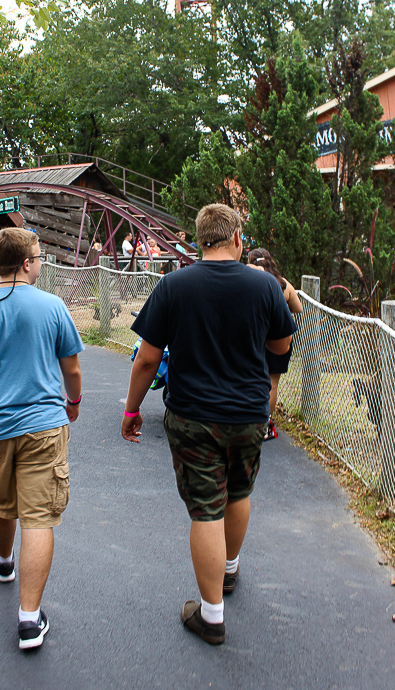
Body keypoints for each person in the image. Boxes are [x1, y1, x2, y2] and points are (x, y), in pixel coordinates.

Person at [121, 204, 296, 645]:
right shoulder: (264, 285)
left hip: (193, 416)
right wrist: (263, 374)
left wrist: (131, 409)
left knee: (206, 509)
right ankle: (230, 570)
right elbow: (282, 340)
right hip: (249, 415)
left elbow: (146, 359)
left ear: (201, 240)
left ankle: (212, 615)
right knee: (239, 491)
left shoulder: (174, 286)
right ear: (237, 237)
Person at [0, 227, 84, 650]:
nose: (41, 261)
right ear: (26, 263)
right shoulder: (53, 307)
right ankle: (28, 620)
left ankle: (3, 561)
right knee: (39, 517)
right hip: (44, 427)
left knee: (1, 503)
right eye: (39, 255)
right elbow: (72, 370)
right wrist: (73, 401)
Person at [248, 248, 303, 439]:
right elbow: (299, 307)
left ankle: (248, 418)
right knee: (272, 383)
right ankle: (266, 423)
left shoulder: (250, 283)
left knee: (251, 378)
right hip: (280, 337)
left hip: (255, 336)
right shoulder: (283, 284)